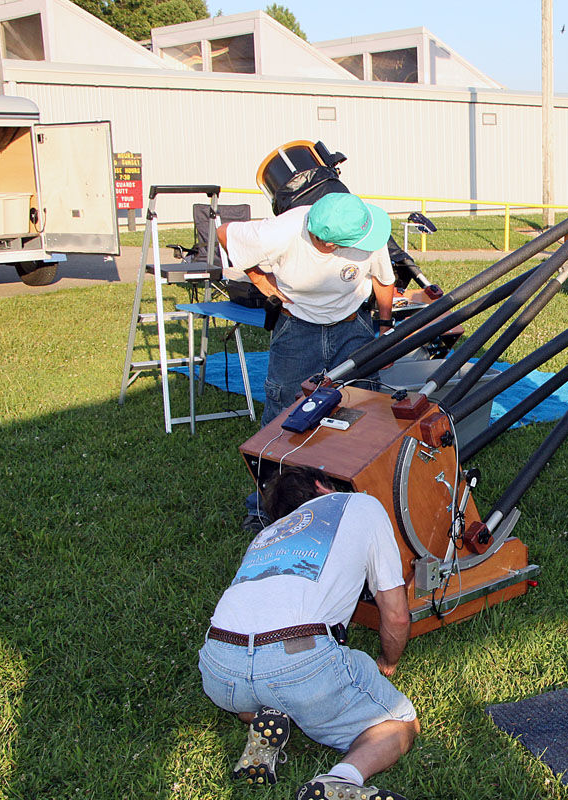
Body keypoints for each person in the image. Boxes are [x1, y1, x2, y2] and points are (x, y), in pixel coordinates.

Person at [197, 466, 418, 799]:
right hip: (296, 660)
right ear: (322, 486)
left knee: (264, 690)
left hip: (219, 666)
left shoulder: (265, 536)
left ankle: (265, 720)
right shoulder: (358, 503)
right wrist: (389, 660)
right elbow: (397, 616)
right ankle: (341, 779)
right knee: (401, 724)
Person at [216, 192, 396, 531]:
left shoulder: (364, 226)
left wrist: (384, 329)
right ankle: (264, 509)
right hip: (297, 328)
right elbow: (226, 233)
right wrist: (261, 279)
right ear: (328, 243)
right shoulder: (282, 231)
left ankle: (364, 498)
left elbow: (384, 281)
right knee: (283, 417)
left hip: (352, 326)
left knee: (365, 413)